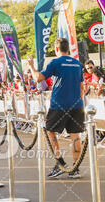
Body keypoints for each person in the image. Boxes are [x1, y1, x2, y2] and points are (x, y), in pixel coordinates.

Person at [28, 37, 85, 179]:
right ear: (68, 49)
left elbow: (38, 78)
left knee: (50, 132)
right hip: (77, 105)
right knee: (75, 136)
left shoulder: (55, 62)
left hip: (59, 104)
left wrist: (31, 66)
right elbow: (82, 87)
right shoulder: (78, 64)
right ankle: (75, 169)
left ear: (56, 49)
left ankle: (60, 163)